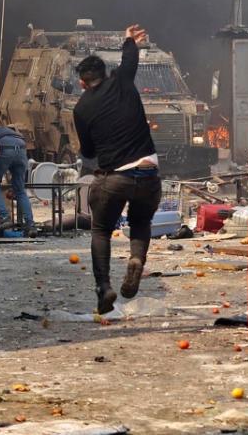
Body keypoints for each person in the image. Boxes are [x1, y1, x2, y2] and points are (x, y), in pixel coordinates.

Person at [72, 24, 161, 315]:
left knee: (100, 229)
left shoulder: (81, 108)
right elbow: (130, 60)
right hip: (148, 173)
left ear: (83, 83)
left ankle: (104, 288)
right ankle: (136, 260)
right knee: (140, 223)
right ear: (105, 73)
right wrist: (128, 40)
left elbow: (88, 152)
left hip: (115, 177)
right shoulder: (122, 80)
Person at [0, 123, 35, 237]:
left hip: (5, 149)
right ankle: (30, 225)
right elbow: (11, 166)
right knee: (20, 190)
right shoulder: (7, 131)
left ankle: (4, 217)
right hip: (22, 150)